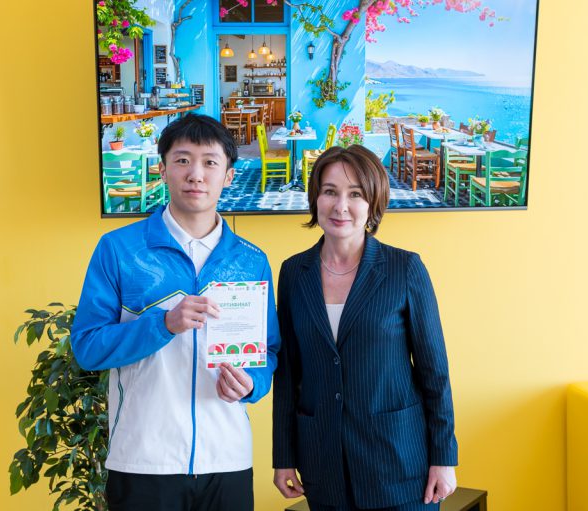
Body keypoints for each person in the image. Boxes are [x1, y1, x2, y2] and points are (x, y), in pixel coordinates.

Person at [71, 113, 280, 511]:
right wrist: (164, 323)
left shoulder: (251, 260)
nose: (195, 174)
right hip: (144, 459)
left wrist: (252, 383)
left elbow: (268, 351)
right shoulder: (119, 249)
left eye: (210, 162)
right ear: (163, 170)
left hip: (228, 458)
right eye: (182, 160)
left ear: (229, 176)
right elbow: (87, 347)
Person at [272, 145, 457, 511]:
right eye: (330, 191)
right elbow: (288, 374)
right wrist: (284, 456)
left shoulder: (405, 269)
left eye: (355, 194)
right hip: (323, 464)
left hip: (399, 464)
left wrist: (444, 457)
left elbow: (434, 373)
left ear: (373, 202)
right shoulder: (293, 272)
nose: (340, 206)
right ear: (315, 198)